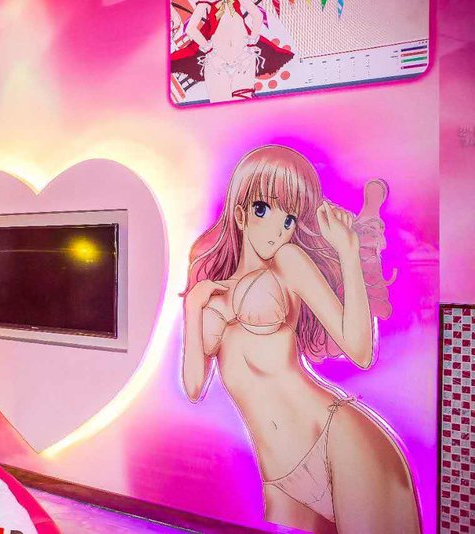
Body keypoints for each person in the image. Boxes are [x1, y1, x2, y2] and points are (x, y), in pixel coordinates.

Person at [181, 145, 420, 533]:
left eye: (289, 218)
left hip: (337, 440)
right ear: (240, 214)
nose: (278, 229)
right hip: (279, 476)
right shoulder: (210, 294)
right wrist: (193, 307)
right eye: (263, 209)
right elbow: (193, 387)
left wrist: (348, 251)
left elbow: (360, 352)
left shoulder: (288, 262)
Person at [171, 0, 294, 102]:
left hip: (240, 57)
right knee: (223, 106)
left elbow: (258, 16)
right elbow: (191, 29)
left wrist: (251, 44)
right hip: (221, 60)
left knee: (239, 103)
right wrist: (209, 51)